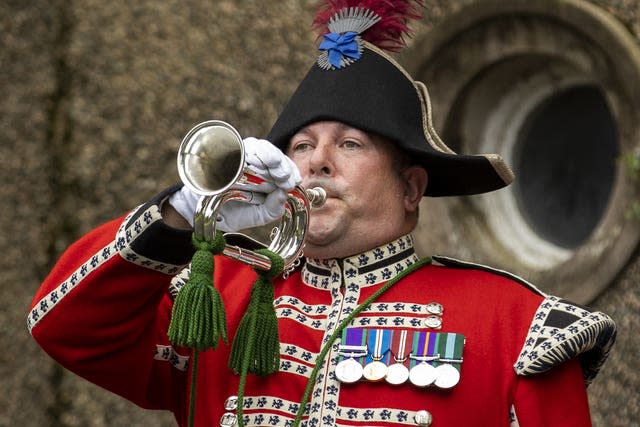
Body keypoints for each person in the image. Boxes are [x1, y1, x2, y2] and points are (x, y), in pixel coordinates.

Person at [29, 1, 615, 426]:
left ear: (411, 187)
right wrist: (187, 212)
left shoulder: (513, 325)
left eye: (350, 144)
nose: (317, 164)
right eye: (301, 146)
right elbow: (65, 328)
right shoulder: (217, 297)